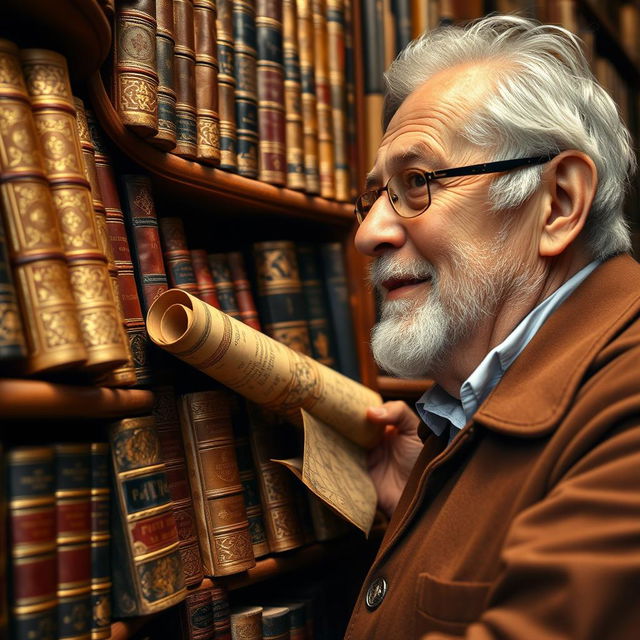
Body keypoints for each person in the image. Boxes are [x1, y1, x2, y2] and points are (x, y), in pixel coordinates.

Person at [345, 14, 640, 640]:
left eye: (417, 183)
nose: (368, 233)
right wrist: (441, 499)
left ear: (558, 203)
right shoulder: (458, 421)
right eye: (372, 197)